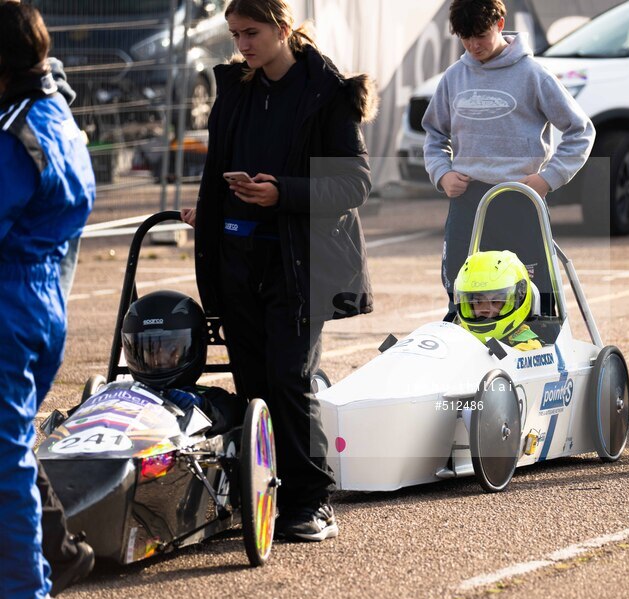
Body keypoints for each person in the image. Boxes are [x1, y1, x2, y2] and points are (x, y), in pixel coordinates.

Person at [180, 0, 376, 542]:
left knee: (290, 380)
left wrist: (280, 193)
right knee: (254, 384)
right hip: (240, 263)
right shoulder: (237, 90)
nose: (242, 44)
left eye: (252, 33)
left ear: (283, 28)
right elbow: (218, 168)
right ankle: (259, 492)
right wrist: (213, 210)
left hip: (300, 264)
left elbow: (356, 184)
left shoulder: (326, 91)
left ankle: (312, 503)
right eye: (235, 34)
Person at [0, 2, 94, 599]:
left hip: (10, 296)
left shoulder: (15, 133)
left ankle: (26, 596)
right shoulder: (55, 113)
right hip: (43, 297)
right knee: (14, 449)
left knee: (6, 460)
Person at [422, 0, 594, 315]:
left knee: (532, 291)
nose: (473, 45)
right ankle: (469, 353)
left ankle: (540, 350)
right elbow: (434, 135)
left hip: (520, 199)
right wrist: (442, 173)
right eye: (465, 37)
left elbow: (580, 131)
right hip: (468, 201)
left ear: (500, 24)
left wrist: (547, 178)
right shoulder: (453, 77)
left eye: (481, 35)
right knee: (463, 288)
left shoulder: (533, 74)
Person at [121, 290, 246, 433]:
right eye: (150, 349)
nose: (158, 358)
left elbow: (233, 414)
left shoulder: (213, 399)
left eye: (169, 348)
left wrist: (202, 407)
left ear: (195, 347)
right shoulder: (127, 395)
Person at [454, 250, 543, 350]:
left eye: (495, 301)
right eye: (478, 301)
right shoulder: (457, 335)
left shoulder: (528, 345)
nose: (485, 309)